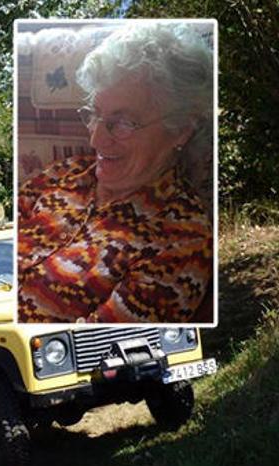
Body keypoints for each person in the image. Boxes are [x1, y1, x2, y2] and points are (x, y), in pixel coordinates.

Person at [17, 21, 214, 323]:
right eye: (94, 115)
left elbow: (100, 348)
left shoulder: (180, 240)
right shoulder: (65, 174)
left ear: (181, 131)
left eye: (122, 123)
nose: (96, 139)